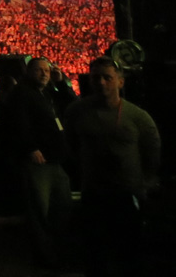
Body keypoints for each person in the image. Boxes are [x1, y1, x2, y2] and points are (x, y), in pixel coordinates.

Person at [64, 56, 161, 277]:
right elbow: (71, 146)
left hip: (127, 192)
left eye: (107, 77)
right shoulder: (76, 112)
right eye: (96, 78)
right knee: (95, 253)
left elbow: (152, 151)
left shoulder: (137, 117)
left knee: (129, 253)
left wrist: (145, 181)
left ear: (120, 81)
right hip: (94, 192)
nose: (101, 82)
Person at [3, 55, 72, 269]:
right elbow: (18, 123)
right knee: (39, 212)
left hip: (54, 158)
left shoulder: (48, 92)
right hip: (38, 162)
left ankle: (59, 255)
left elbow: (71, 104)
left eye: (47, 70)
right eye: (39, 70)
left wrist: (62, 83)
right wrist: (31, 147)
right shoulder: (22, 93)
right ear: (28, 72)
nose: (44, 74)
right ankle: (45, 259)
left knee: (60, 209)